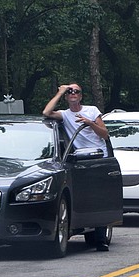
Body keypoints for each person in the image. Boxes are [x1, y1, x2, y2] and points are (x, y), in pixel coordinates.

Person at [42, 82, 111, 251]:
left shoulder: (92, 110)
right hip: (80, 160)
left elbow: (105, 133)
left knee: (99, 197)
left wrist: (90, 123)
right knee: (85, 196)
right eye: (70, 92)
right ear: (66, 97)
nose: (73, 94)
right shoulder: (65, 115)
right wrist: (60, 92)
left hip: (98, 157)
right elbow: (46, 112)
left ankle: (101, 239)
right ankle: (82, 227)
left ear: (81, 96)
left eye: (76, 92)